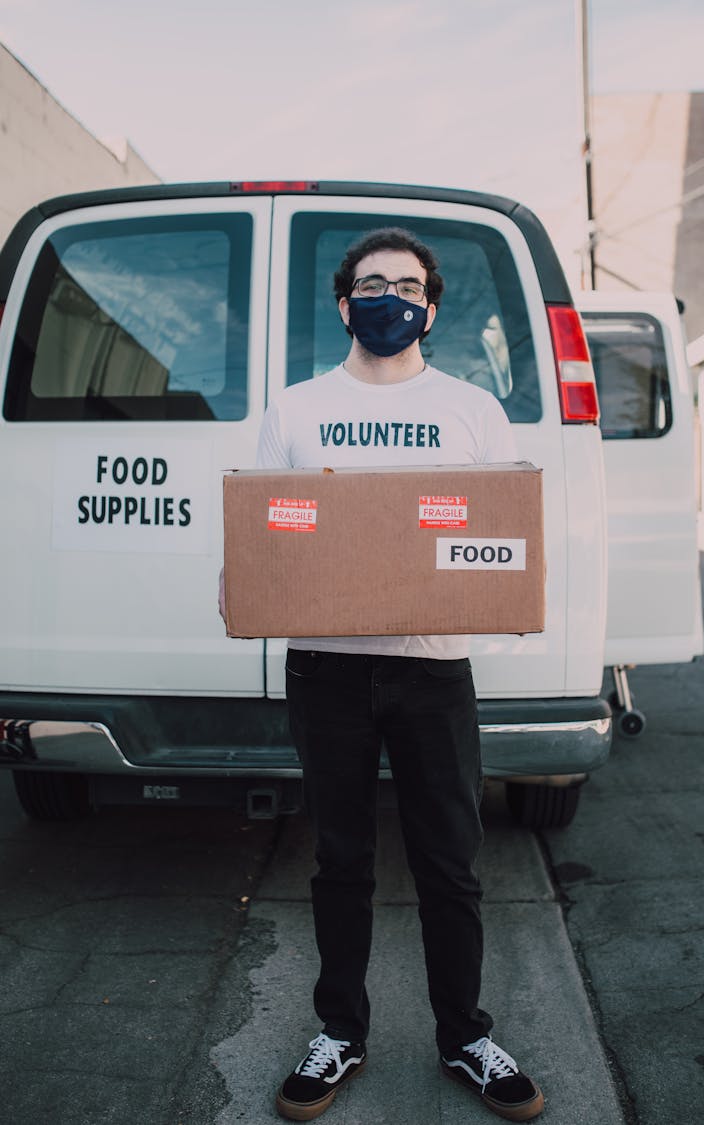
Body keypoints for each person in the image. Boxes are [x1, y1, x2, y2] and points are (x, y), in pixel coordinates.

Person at [227, 227, 544, 1122]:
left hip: (433, 671)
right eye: (372, 283)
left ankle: (465, 1036)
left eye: (406, 284)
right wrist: (242, 574)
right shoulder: (296, 410)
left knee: (451, 863)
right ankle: (341, 1032)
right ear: (343, 304)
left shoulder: (473, 410)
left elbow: (497, 538)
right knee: (341, 859)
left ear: (430, 307)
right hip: (326, 673)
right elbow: (269, 532)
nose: (389, 296)